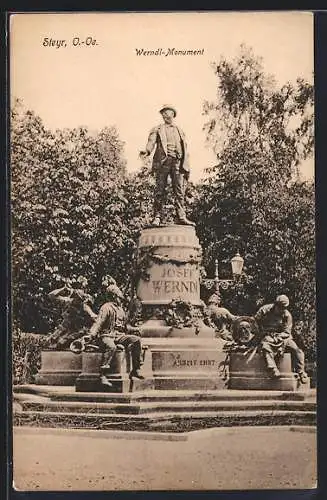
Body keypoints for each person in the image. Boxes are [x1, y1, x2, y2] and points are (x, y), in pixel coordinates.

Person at [140, 104, 194, 226]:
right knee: (160, 189)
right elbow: (151, 142)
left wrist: (186, 164)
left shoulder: (180, 130)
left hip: (178, 162)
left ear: (172, 114)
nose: (164, 115)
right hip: (163, 162)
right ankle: (157, 217)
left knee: (179, 190)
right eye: (163, 113)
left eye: (166, 112)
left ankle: (181, 216)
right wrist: (147, 151)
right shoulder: (158, 129)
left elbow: (184, 147)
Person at [88, 283, 144, 387]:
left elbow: (125, 326)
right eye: (119, 295)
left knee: (136, 340)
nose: (121, 297)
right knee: (111, 347)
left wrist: (136, 329)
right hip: (107, 335)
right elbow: (99, 322)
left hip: (119, 335)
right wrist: (91, 335)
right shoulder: (106, 307)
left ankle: (136, 369)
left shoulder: (120, 309)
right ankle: (102, 375)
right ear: (114, 296)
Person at [255, 294, 308, 383]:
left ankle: (301, 372)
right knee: (265, 346)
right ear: (275, 305)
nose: (282, 310)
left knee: (297, 350)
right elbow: (254, 322)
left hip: (283, 338)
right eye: (280, 308)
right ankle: (273, 369)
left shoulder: (287, 315)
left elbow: (287, 332)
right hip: (267, 335)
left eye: (284, 308)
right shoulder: (265, 310)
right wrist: (261, 332)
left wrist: (278, 337)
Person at [46, 284, 97, 349]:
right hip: (64, 327)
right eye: (76, 298)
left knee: (61, 343)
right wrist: (62, 289)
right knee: (50, 341)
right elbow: (51, 295)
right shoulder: (67, 302)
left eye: (80, 299)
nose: (78, 301)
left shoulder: (84, 307)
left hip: (75, 330)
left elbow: (93, 317)